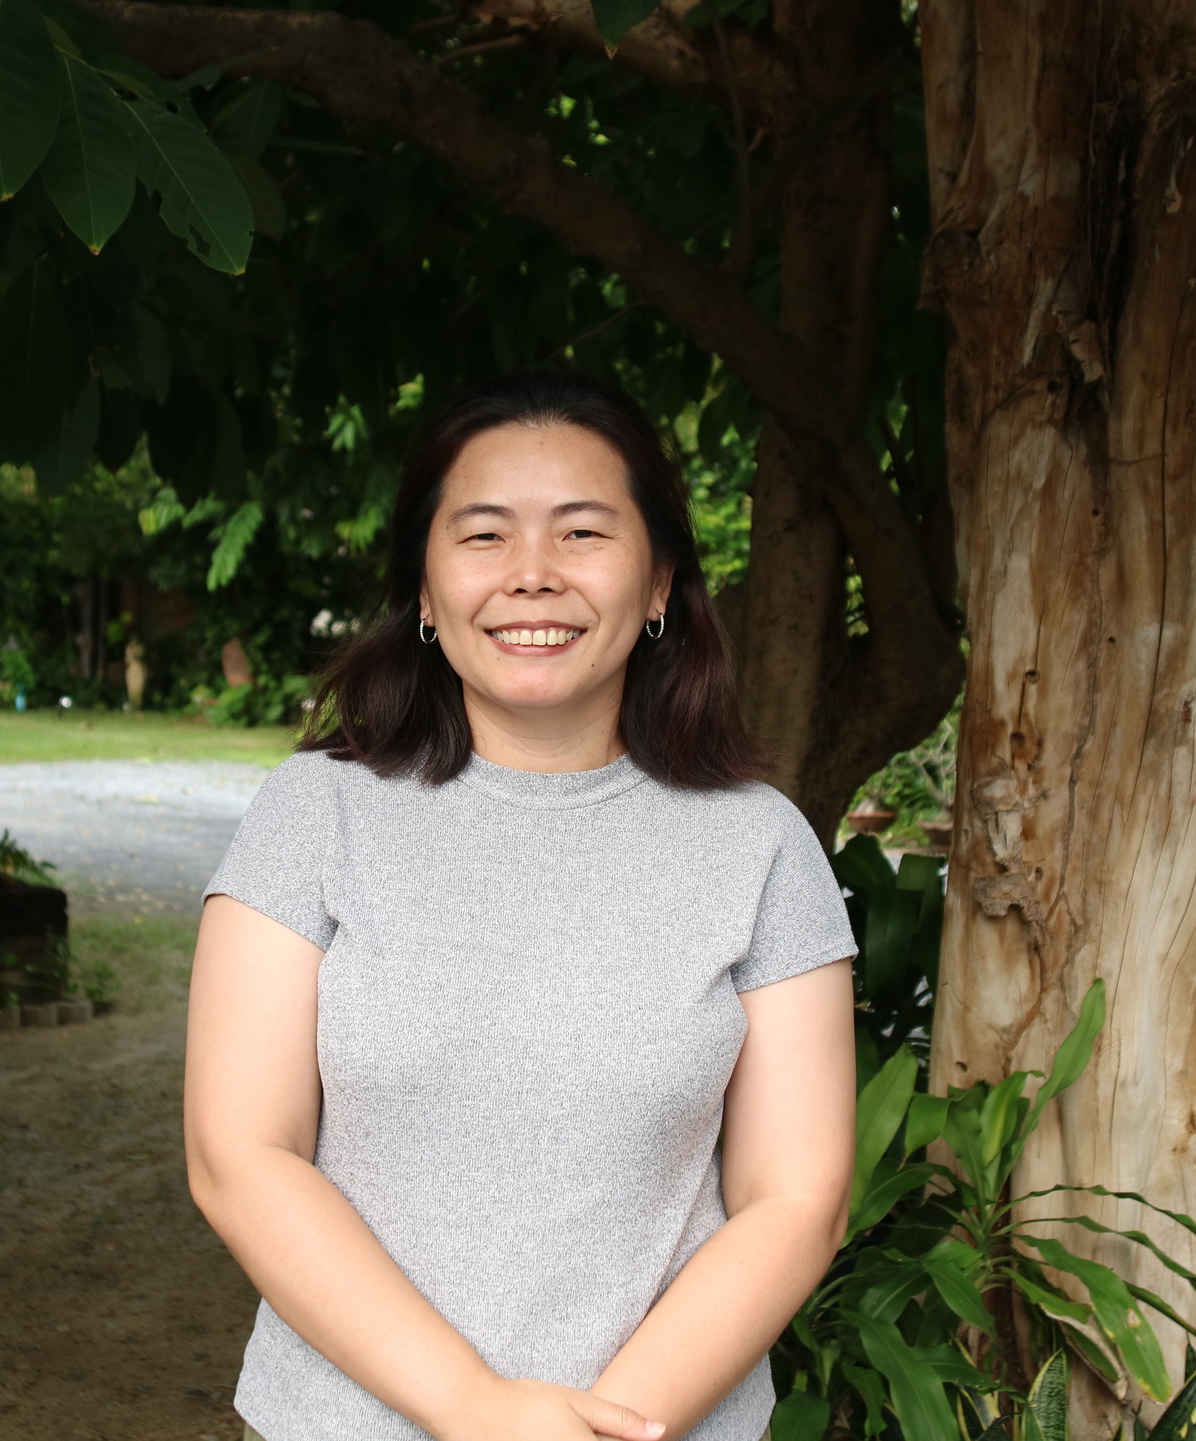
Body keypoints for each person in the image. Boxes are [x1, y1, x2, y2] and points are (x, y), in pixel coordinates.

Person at [183, 371, 859, 1441]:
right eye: (484, 535)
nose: (532, 574)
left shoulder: (759, 844)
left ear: (657, 583)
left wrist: (600, 1431)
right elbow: (240, 1154)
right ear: (423, 588)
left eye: (582, 532)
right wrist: (476, 1407)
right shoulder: (314, 814)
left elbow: (795, 1198)